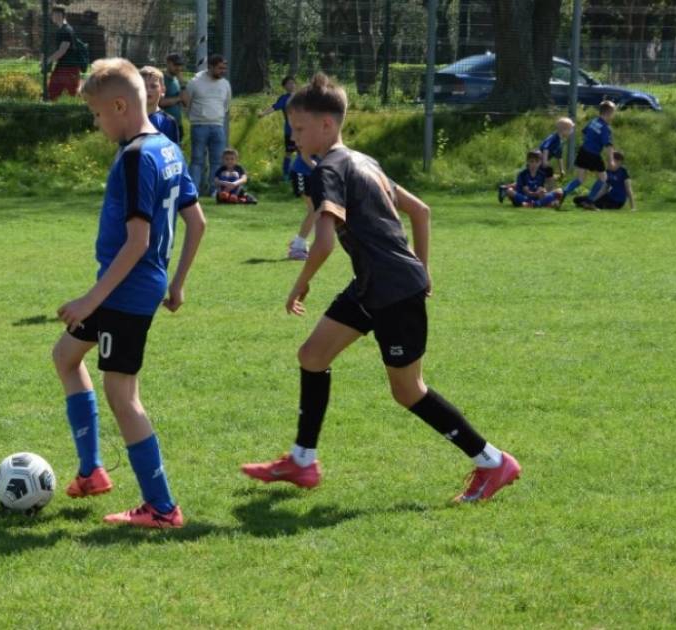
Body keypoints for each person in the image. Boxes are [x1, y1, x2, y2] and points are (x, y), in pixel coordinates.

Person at [241, 73, 521, 504]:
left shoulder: (328, 170)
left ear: (327, 125)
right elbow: (421, 211)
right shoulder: (363, 161)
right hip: (375, 285)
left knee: (408, 391)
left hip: (391, 290)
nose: (293, 137)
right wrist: (422, 270)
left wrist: (300, 285)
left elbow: (324, 243)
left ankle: (492, 461)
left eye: (299, 128)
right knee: (312, 356)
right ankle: (302, 460)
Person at [52, 58, 206, 528]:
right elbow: (197, 222)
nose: (97, 123)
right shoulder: (167, 147)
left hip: (126, 289)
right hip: (136, 283)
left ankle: (161, 506)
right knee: (65, 356)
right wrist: (177, 282)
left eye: (98, 114)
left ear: (120, 106)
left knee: (122, 394)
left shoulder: (137, 156)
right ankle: (92, 471)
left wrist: (90, 300)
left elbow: (138, 242)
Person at [183, 54, 231, 195]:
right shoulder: (195, 82)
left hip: (218, 126)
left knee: (217, 161)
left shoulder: (225, 84)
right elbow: (186, 103)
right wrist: (195, 118)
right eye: (220, 68)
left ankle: (215, 190)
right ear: (210, 67)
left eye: (224, 68)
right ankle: (193, 191)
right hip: (199, 126)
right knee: (197, 160)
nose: (223, 71)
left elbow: (226, 104)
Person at [562, 101, 616, 201]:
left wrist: (590, 141)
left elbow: (584, 132)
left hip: (583, 151)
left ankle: (563, 192)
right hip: (593, 154)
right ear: (609, 113)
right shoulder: (605, 128)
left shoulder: (593, 121)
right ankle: (589, 201)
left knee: (580, 179)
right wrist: (611, 161)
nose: (613, 115)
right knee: (603, 178)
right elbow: (608, 146)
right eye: (613, 113)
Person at [258, 75, 297, 180]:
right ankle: (286, 175)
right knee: (289, 152)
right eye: (288, 83)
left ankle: (300, 174)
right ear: (284, 86)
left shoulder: (302, 97)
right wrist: (263, 113)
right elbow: (274, 107)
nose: (291, 85)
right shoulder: (284, 98)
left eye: (293, 83)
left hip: (303, 131)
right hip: (290, 131)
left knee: (304, 153)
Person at [497, 150, 563, 209]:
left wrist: (543, 192)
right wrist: (536, 193)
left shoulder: (542, 175)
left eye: (536, 162)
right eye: (532, 161)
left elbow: (542, 190)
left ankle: (535, 204)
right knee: (509, 191)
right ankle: (537, 204)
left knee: (559, 191)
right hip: (524, 197)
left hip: (536, 198)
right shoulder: (522, 174)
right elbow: (526, 192)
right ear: (528, 162)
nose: (534, 164)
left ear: (540, 162)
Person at [45, 5, 82, 101]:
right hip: (62, 66)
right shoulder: (62, 30)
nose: (52, 17)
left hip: (69, 68)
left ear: (59, 15)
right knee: (53, 92)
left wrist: (48, 60)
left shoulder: (66, 30)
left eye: (53, 15)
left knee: (72, 94)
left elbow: (62, 50)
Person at [287, 152, 317, 261]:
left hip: (311, 175)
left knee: (318, 210)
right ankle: (297, 248)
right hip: (302, 173)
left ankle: (299, 243)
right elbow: (305, 154)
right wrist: (319, 169)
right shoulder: (311, 139)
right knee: (314, 210)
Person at [140, 65, 180, 144]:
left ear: (162, 90)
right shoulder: (130, 119)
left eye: (153, 86)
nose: (148, 90)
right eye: (143, 86)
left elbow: (172, 149)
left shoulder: (168, 122)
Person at [538, 116, 573, 189]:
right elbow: (545, 148)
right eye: (570, 129)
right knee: (543, 179)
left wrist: (561, 170)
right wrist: (545, 161)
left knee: (546, 178)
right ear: (564, 130)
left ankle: (548, 191)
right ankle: (549, 192)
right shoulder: (553, 138)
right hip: (538, 161)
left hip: (542, 163)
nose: (572, 131)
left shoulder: (560, 141)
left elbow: (559, 156)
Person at [159, 53, 184, 140]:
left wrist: (182, 84)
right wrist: (179, 98)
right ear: (168, 63)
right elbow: (160, 102)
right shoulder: (161, 79)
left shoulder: (177, 80)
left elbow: (186, 101)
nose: (179, 68)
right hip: (164, 124)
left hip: (177, 123)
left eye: (180, 65)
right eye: (176, 65)